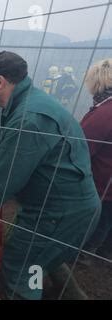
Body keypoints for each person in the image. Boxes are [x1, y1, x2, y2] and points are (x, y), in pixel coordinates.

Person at [0, 51, 101, 300]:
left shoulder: (28, 119)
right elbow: (1, 137)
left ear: (0, 81)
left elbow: (3, 180)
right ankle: (72, 295)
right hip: (61, 206)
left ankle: (29, 293)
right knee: (43, 256)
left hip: (60, 212)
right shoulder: (27, 103)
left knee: (20, 266)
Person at [80, 58, 112, 261]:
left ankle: (83, 254)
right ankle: (103, 252)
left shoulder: (104, 113)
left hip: (102, 182)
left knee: (99, 219)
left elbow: (82, 147)